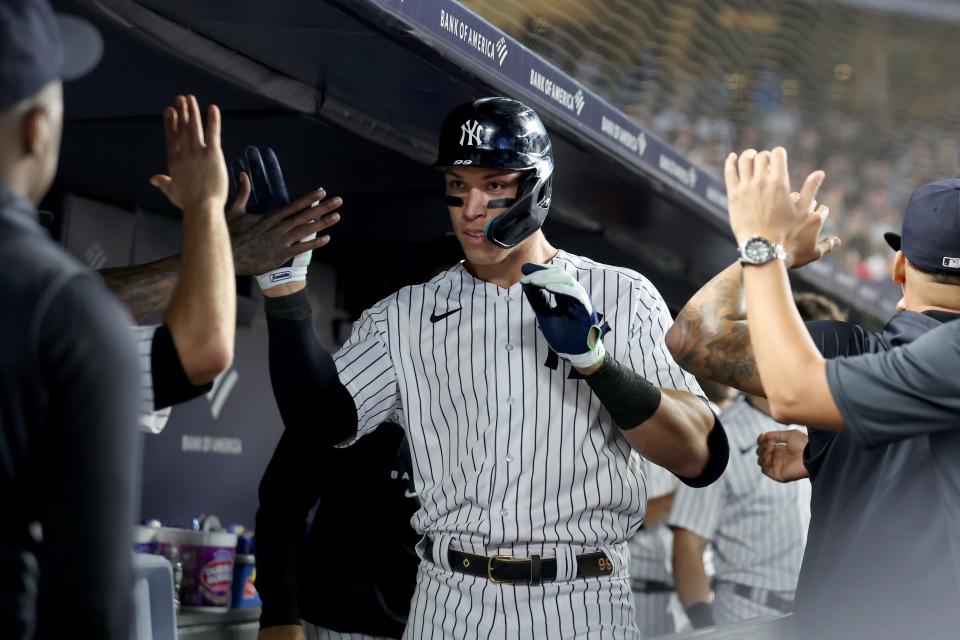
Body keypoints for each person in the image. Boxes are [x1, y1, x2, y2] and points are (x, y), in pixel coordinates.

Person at [255, 97, 728, 638]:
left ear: (538, 188)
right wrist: (286, 293)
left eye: (495, 185)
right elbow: (321, 424)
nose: (471, 207)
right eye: (458, 186)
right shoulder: (405, 314)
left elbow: (700, 457)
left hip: (581, 600)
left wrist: (599, 365)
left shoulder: (621, 295)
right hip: (447, 600)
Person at [717, 147, 960, 638]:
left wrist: (767, 251)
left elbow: (693, 337)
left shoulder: (843, 348)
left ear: (898, 267)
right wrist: (828, 453)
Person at [668, 293, 841, 629]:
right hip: (745, 611)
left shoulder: (825, 427)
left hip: (813, 611)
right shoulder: (724, 433)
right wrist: (706, 626)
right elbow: (688, 544)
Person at [627, 463, 680, 638]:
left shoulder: (682, 453)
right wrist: (681, 499)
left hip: (679, 597)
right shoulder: (630, 454)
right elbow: (619, 520)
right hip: (639, 593)